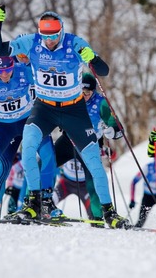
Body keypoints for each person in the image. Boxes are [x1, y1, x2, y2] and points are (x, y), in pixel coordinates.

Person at [0, 6, 129, 228]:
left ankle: (109, 212)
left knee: (94, 161)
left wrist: (92, 57)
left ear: (61, 30)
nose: (50, 40)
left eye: (54, 35)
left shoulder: (74, 43)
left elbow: (103, 71)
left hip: (74, 110)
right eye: (46, 36)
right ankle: (34, 202)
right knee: (29, 148)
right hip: (44, 108)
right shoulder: (31, 42)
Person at [0, 55, 56, 221]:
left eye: (8, 70)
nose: (4, 74)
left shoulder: (24, 71)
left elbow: (48, 85)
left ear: (13, 65)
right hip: (3, 127)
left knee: (48, 153)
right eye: (0, 71)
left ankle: (46, 202)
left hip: (29, 121)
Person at [53, 72, 123, 225]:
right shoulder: (70, 96)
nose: (84, 96)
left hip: (90, 143)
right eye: (81, 92)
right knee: (46, 163)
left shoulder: (100, 102)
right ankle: (40, 204)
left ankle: (97, 216)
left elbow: (114, 122)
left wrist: (114, 130)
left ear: (93, 91)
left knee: (92, 181)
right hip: (69, 140)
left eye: (88, 92)